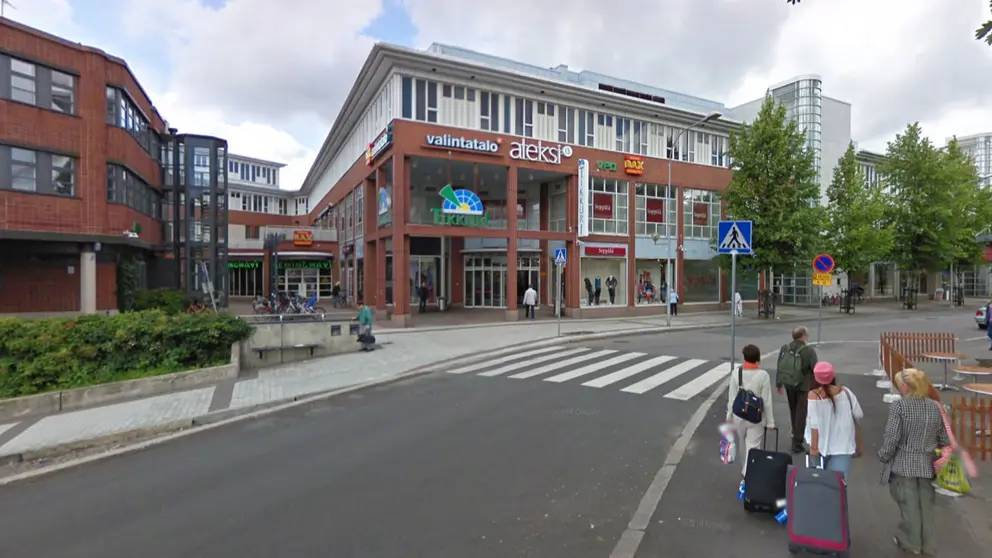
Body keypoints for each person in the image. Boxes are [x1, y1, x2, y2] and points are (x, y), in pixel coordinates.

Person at [878, 368, 951, 556]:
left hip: (904, 464)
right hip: (927, 465)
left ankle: (911, 542)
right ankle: (927, 544)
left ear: (904, 387)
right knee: (925, 506)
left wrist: (884, 455)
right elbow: (943, 438)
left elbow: (892, 438)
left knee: (909, 507)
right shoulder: (935, 407)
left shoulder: (899, 407)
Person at [806, 362, 863, 481]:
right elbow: (859, 414)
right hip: (843, 446)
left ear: (815, 377)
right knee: (838, 485)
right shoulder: (846, 392)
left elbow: (814, 424)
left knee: (817, 483)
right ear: (832, 376)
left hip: (820, 447)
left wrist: (814, 449)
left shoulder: (813, 396)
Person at [726, 344, 775, 477]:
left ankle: (744, 468)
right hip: (756, 416)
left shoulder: (736, 373)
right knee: (753, 446)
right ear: (758, 358)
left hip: (739, 415)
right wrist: (770, 422)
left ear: (744, 357)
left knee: (742, 443)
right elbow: (766, 400)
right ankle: (749, 473)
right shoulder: (763, 375)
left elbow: (732, 397)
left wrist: (729, 415)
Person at [776, 326, 818, 453]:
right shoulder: (808, 351)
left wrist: (779, 383)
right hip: (803, 386)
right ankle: (797, 442)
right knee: (801, 413)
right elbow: (815, 368)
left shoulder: (785, 348)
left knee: (793, 410)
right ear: (803, 336)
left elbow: (780, 365)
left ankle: (795, 433)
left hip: (789, 384)